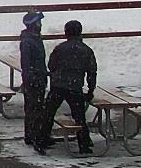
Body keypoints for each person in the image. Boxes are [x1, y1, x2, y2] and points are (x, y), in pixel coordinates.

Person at [35, 20, 97, 155]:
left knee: (48, 114)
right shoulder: (86, 50)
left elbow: (51, 65)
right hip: (75, 87)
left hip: (58, 85)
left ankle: (42, 140)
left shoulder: (60, 48)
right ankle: (84, 143)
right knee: (79, 116)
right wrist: (91, 90)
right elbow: (92, 72)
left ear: (66, 32)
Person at [18, 11, 48, 147]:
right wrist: (31, 79)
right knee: (33, 108)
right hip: (34, 80)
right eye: (38, 23)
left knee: (36, 108)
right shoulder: (28, 42)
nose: (40, 25)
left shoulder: (35, 39)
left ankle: (34, 135)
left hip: (39, 78)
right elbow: (26, 64)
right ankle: (34, 136)